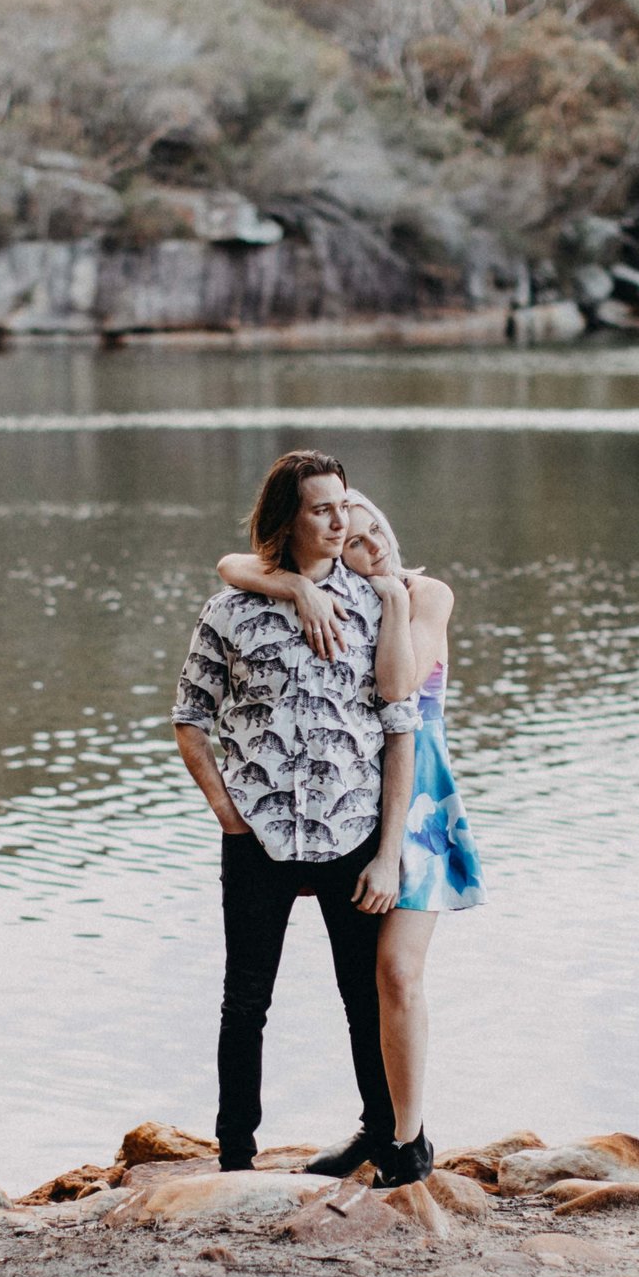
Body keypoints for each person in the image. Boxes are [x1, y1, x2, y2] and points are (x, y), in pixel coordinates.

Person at [216, 489, 481, 1188]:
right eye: (354, 540)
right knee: (368, 981)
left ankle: (411, 1137)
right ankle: (381, 1125)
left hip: (419, 807)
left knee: (396, 972)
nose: (371, 545)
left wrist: (390, 597)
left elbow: (399, 685)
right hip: (358, 807)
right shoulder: (347, 598)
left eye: (373, 530)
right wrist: (298, 585)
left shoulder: (425, 595)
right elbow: (230, 564)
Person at [171, 450, 421, 1186]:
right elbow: (189, 718)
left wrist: (388, 850)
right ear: (290, 519)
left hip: (352, 832)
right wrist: (228, 814)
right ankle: (235, 1159)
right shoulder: (231, 609)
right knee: (245, 1000)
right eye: (322, 508)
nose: (339, 519)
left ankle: (385, 1143)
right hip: (261, 837)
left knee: (361, 998)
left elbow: (400, 725)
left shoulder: (379, 603)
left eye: (343, 505)